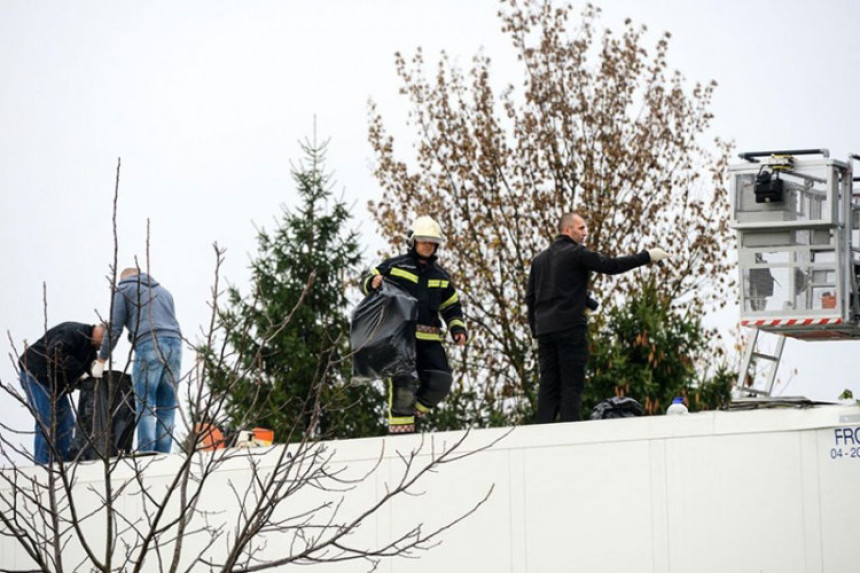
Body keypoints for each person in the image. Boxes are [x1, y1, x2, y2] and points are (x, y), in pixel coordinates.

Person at [526, 212, 669, 423]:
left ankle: (542, 431)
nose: (586, 233)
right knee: (571, 385)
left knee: (548, 386)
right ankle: (570, 432)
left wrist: (535, 332)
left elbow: (533, 298)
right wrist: (647, 256)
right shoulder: (577, 253)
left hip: (545, 331)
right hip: (570, 329)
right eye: (581, 228)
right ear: (567, 230)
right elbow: (611, 266)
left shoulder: (539, 261)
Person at [360, 216, 468, 433]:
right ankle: (401, 436)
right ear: (413, 241)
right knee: (404, 386)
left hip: (430, 340)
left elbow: (451, 307)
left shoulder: (441, 276)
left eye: (432, 242)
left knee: (441, 381)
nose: (428, 246)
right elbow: (367, 279)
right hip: (401, 339)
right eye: (424, 241)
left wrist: (458, 328)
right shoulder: (395, 266)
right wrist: (371, 282)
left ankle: (414, 415)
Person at [94, 268, 182, 453]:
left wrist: (101, 359)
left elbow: (115, 328)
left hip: (150, 342)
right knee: (167, 404)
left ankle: (146, 452)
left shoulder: (123, 290)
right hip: (175, 345)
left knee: (145, 401)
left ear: (123, 279)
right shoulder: (165, 292)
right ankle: (163, 453)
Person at [18, 322, 105, 465]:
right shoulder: (74, 332)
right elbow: (56, 353)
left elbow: (88, 375)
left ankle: (62, 465)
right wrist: (80, 374)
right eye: (104, 341)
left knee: (66, 423)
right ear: (99, 332)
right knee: (47, 422)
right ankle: (43, 466)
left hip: (54, 384)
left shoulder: (89, 351)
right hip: (36, 374)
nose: (103, 346)